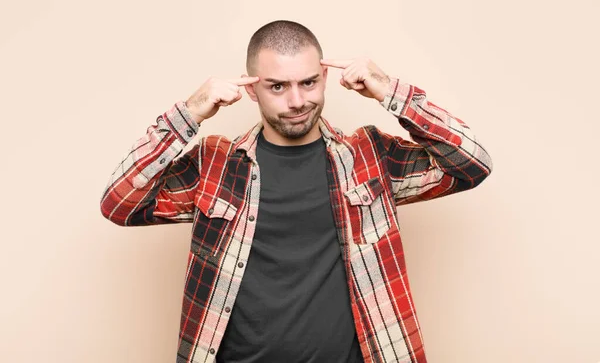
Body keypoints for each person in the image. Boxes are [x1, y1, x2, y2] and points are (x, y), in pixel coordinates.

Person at [100, 20, 493, 363]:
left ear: (325, 77)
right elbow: (119, 203)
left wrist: (389, 90)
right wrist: (190, 111)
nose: (297, 101)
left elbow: (472, 162)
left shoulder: (369, 156)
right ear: (251, 89)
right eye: (277, 86)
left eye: (308, 82)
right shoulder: (215, 164)